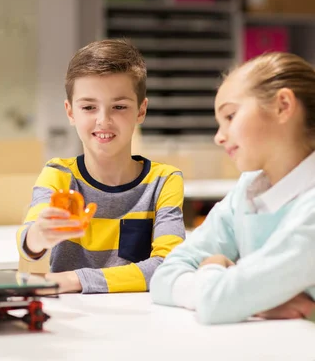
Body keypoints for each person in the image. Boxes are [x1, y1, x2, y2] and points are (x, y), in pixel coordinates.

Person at [150, 52, 315, 324]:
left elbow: (216, 302)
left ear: (283, 105)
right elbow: (164, 277)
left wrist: (214, 268)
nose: (219, 136)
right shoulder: (248, 190)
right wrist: (250, 298)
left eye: (230, 116)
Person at [16, 39, 186, 294]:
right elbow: (28, 241)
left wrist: (76, 280)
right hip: (75, 321)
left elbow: (169, 267)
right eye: (88, 107)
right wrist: (39, 234)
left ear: (141, 111)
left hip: (144, 320)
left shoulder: (164, 181)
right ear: (71, 112)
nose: (103, 120)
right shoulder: (59, 175)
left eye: (119, 107)